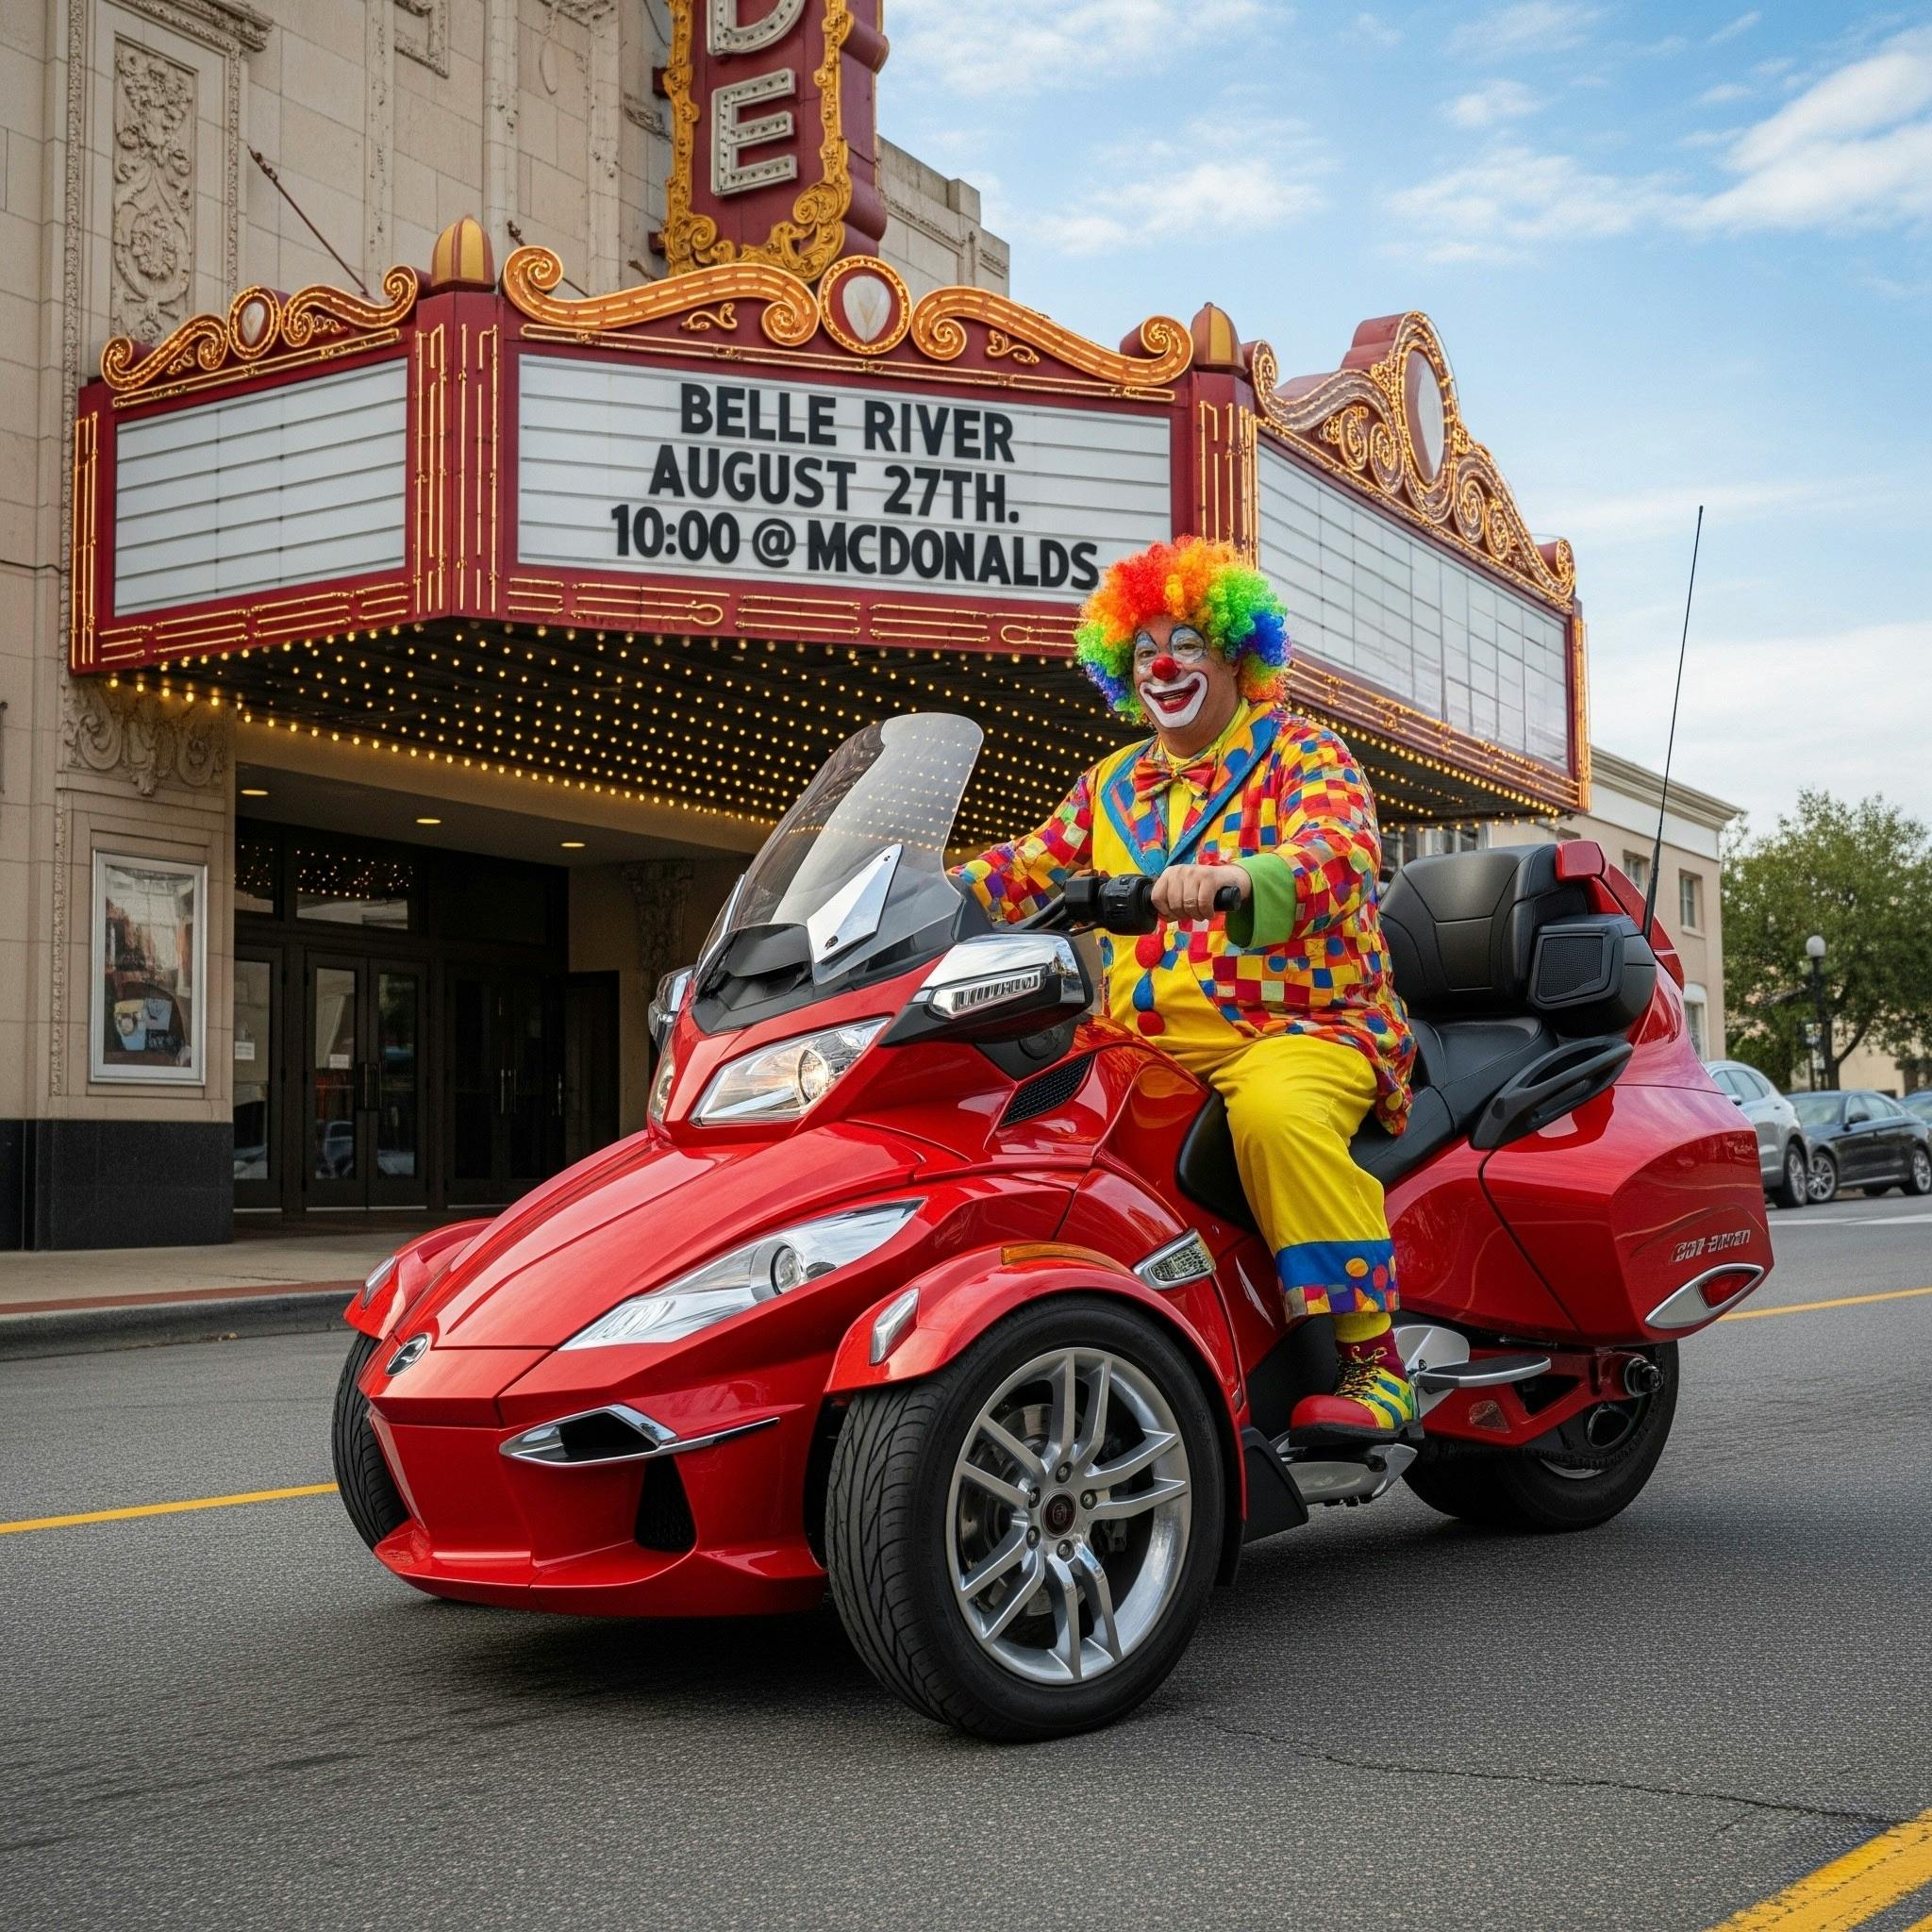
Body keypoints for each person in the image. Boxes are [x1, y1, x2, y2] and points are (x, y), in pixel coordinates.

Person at [955, 536, 1419, 1441]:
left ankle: (1374, 1363)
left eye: (1188, 643)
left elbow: (1343, 856)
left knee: (1278, 1116)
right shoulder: (1112, 783)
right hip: (1144, 1044)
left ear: (1240, 655)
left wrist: (1243, 879)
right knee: (1032, 1122)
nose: (1163, 664)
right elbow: (1025, 870)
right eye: (1143, 649)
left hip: (1300, 1028)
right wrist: (913, 898)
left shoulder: (1302, 753)